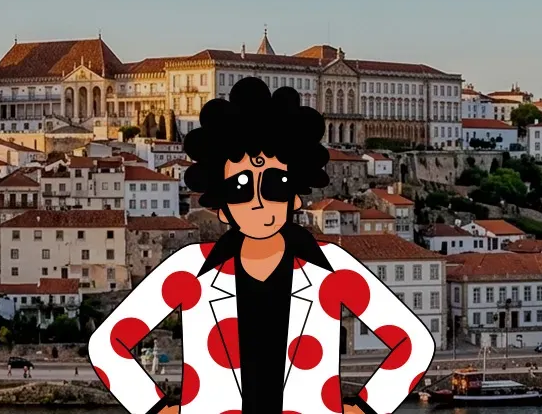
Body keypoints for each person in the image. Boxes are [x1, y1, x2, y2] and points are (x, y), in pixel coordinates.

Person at [86, 77, 433, 414]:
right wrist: (158, 408)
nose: (258, 201)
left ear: (294, 197)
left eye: (275, 184)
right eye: (239, 188)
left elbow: (413, 343)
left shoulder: (332, 268)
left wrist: (365, 407)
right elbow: (107, 345)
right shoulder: (189, 269)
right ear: (222, 206)